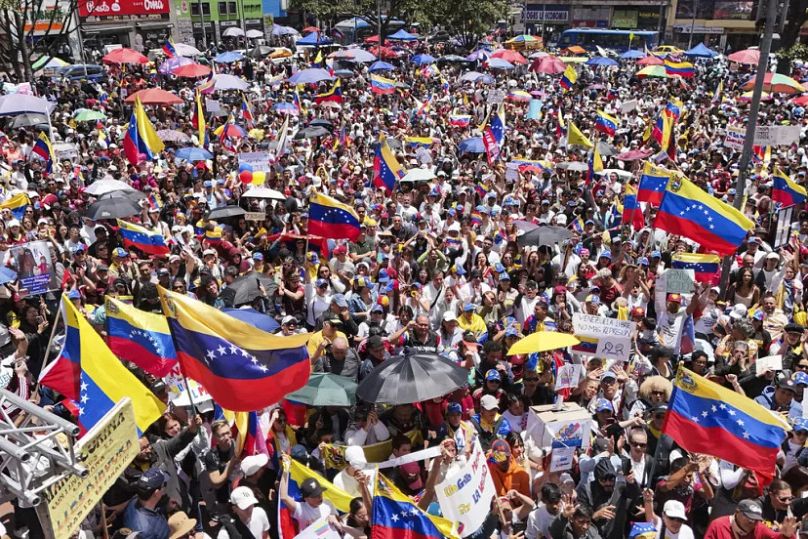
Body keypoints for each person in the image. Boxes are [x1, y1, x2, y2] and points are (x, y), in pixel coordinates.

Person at [703, 499, 798, 538]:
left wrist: (787, 536)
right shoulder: (718, 525)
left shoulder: (759, 528)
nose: (752, 522)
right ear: (737, 512)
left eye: (756, 519)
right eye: (749, 517)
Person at [122, 468, 170, 539]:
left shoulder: (133, 501)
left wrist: (165, 509)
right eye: (164, 485)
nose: (165, 487)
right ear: (156, 493)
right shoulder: (158, 529)